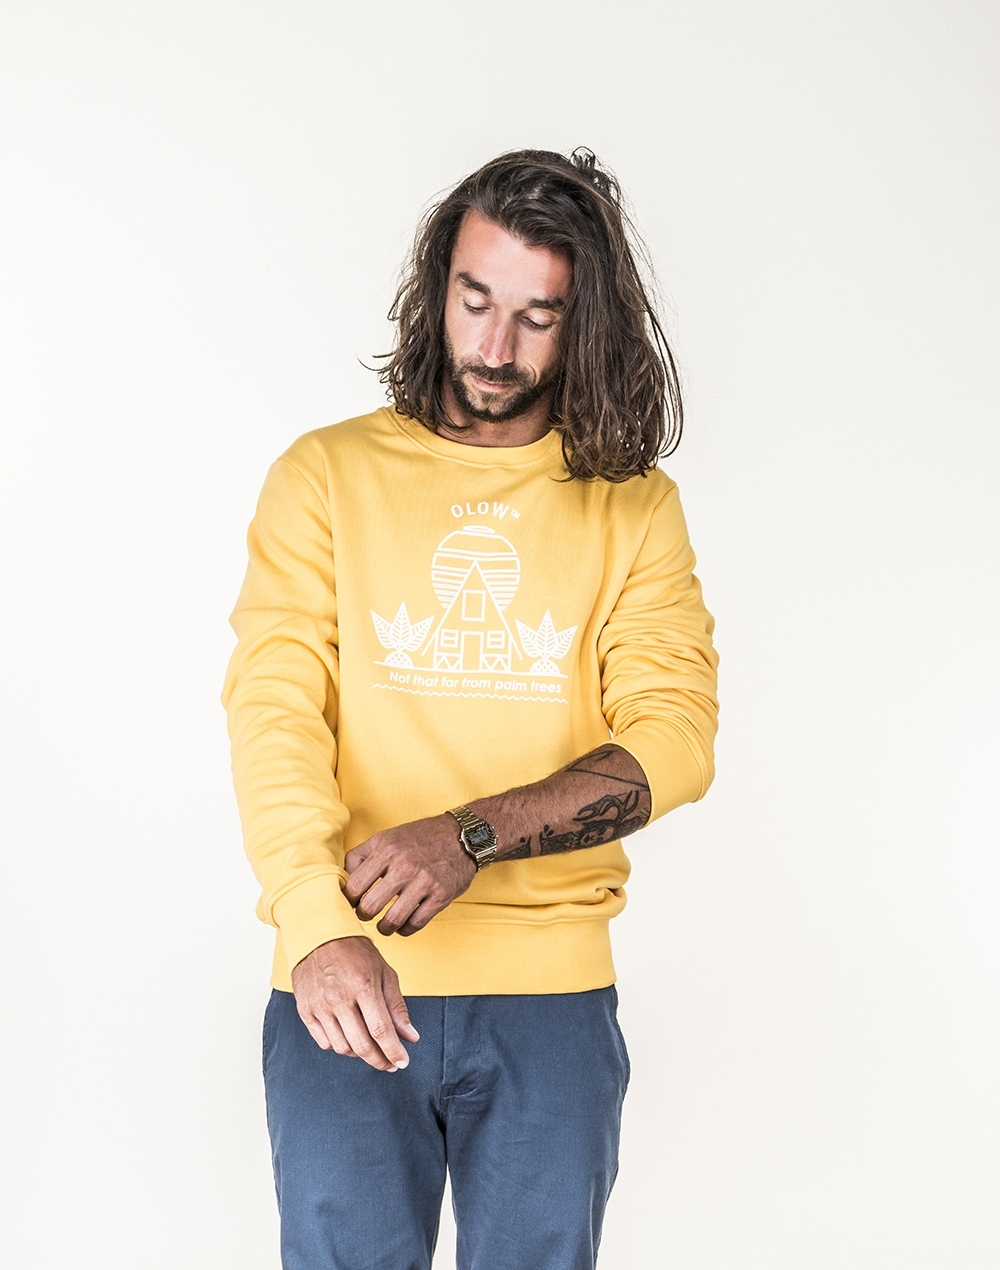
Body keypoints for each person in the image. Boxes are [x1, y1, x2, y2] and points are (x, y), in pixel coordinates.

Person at [223, 148, 719, 1270]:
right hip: (343, 974)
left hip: (549, 994)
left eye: (538, 317)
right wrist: (315, 925)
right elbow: (275, 717)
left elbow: (674, 741)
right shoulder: (325, 476)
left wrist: (469, 835)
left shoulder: (633, 506)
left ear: (585, 322)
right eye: (475, 299)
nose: (495, 348)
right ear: (437, 285)